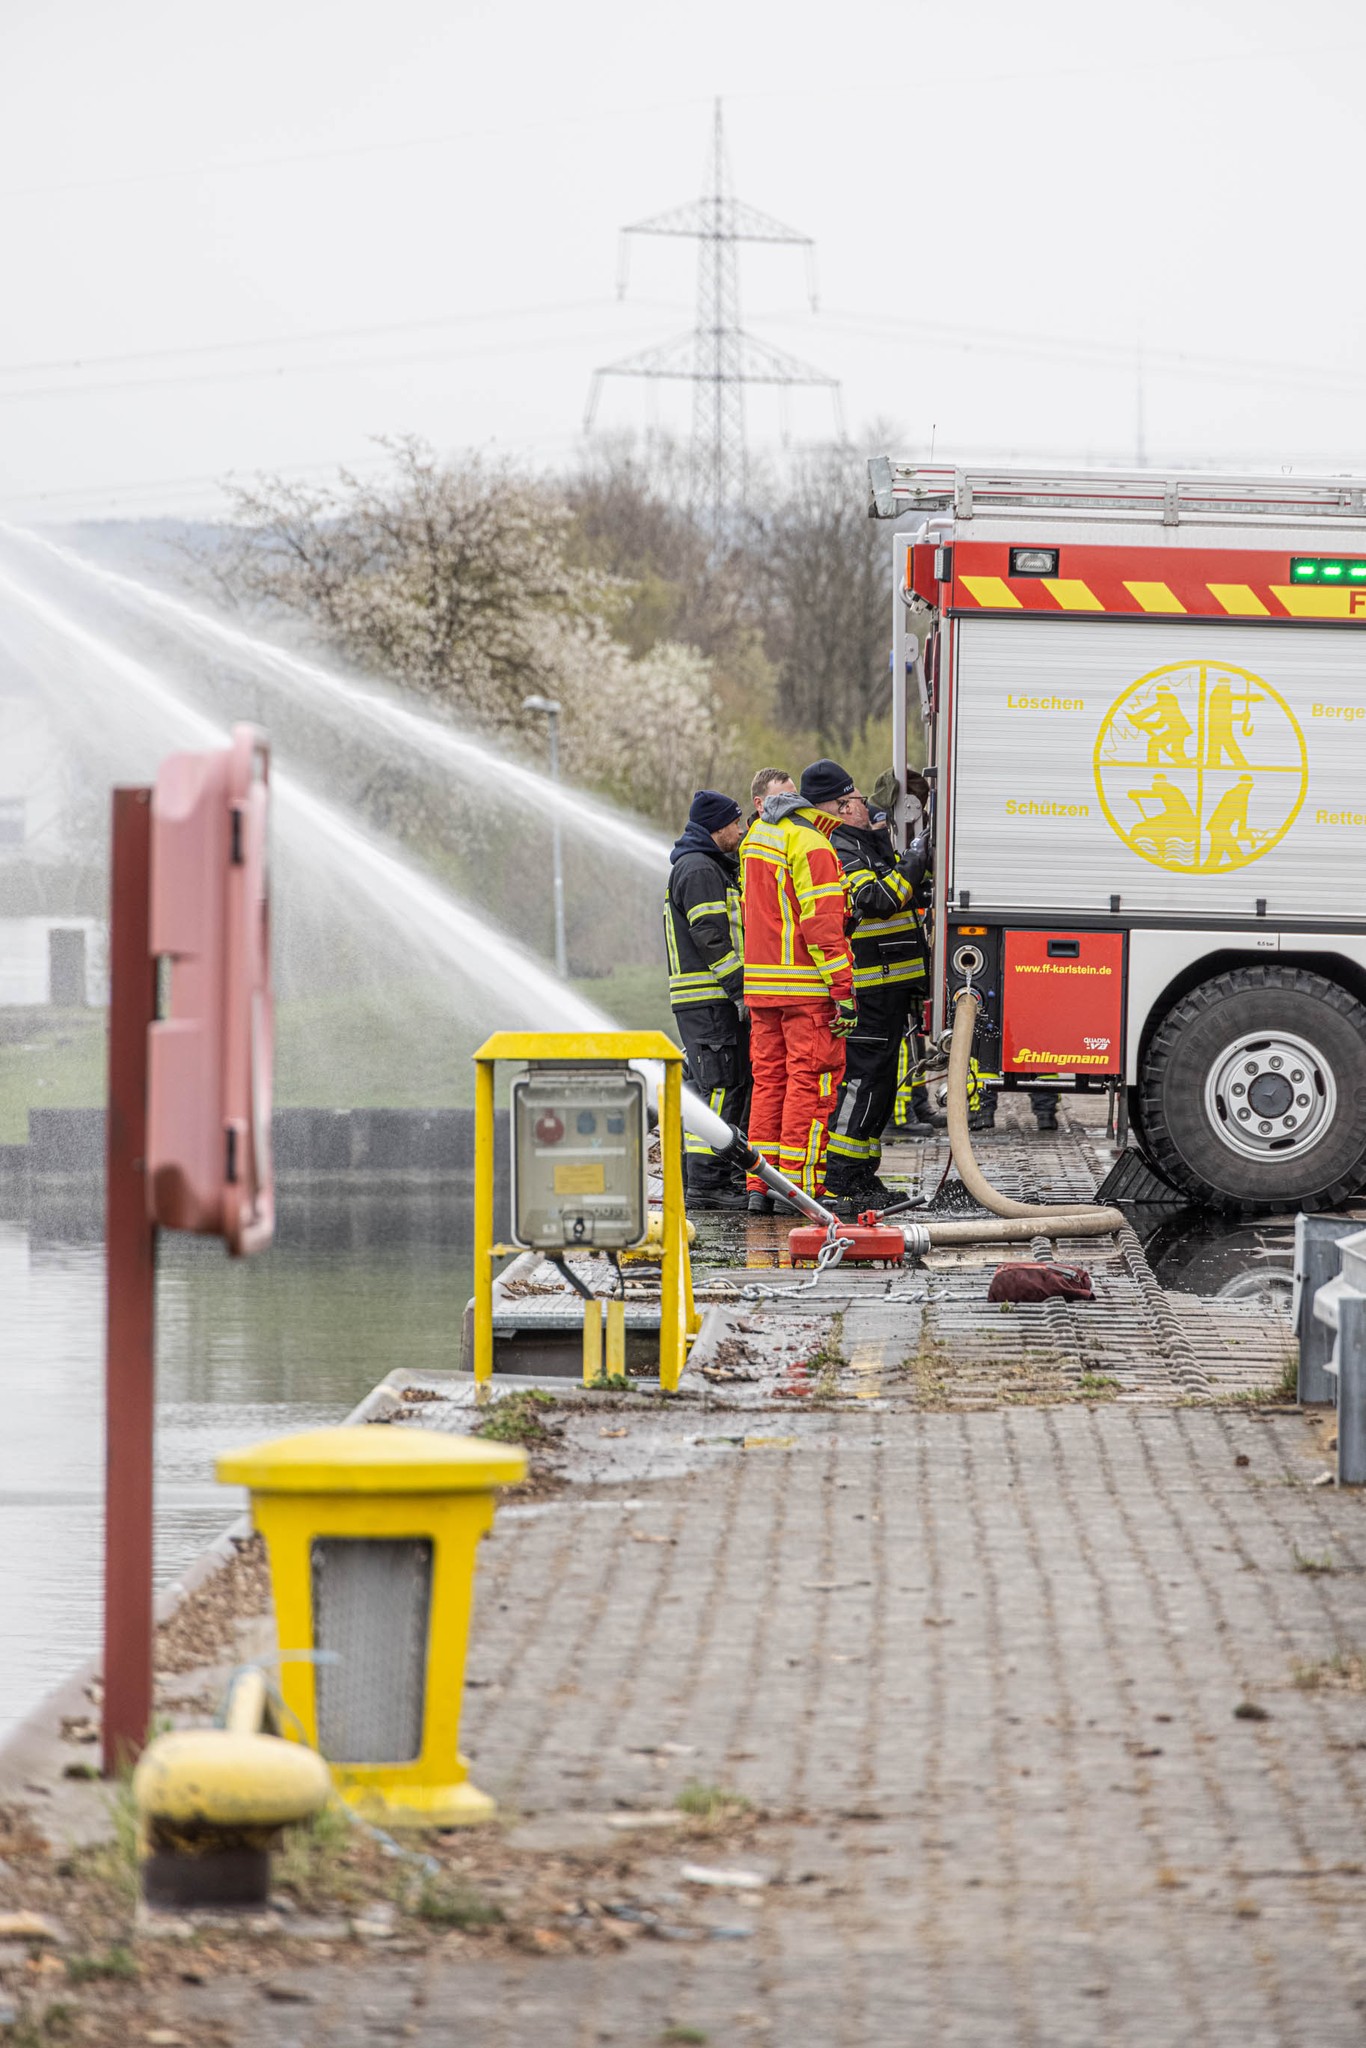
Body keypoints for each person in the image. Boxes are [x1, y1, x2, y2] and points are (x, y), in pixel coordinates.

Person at [741, 759, 856, 1212]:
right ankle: (801, 1188)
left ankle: (761, 1187)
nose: (850, 813)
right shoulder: (810, 842)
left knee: (769, 1084)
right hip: (807, 988)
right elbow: (823, 927)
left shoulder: (756, 838)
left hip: (762, 987)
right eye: (847, 804)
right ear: (830, 803)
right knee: (811, 1084)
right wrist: (844, 992)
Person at [823, 780, 930, 1210]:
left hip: (888, 987)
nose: (865, 806)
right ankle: (843, 1175)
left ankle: (863, 1173)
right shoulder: (844, 850)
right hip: (867, 988)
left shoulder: (866, 844)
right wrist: (917, 859)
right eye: (856, 801)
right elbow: (878, 898)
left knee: (879, 1085)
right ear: (841, 808)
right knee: (863, 1082)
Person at [664, 789, 750, 1210]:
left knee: (721, 1084)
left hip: (709, 1000)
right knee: (719, 1087)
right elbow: (710, 935)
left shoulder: (705, 865)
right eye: (735, 822)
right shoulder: (699, 869)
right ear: (718, 827)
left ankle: (713, 1178)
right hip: (711, 999)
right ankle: (707, 1183)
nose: (741, 829)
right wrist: (740, 988)